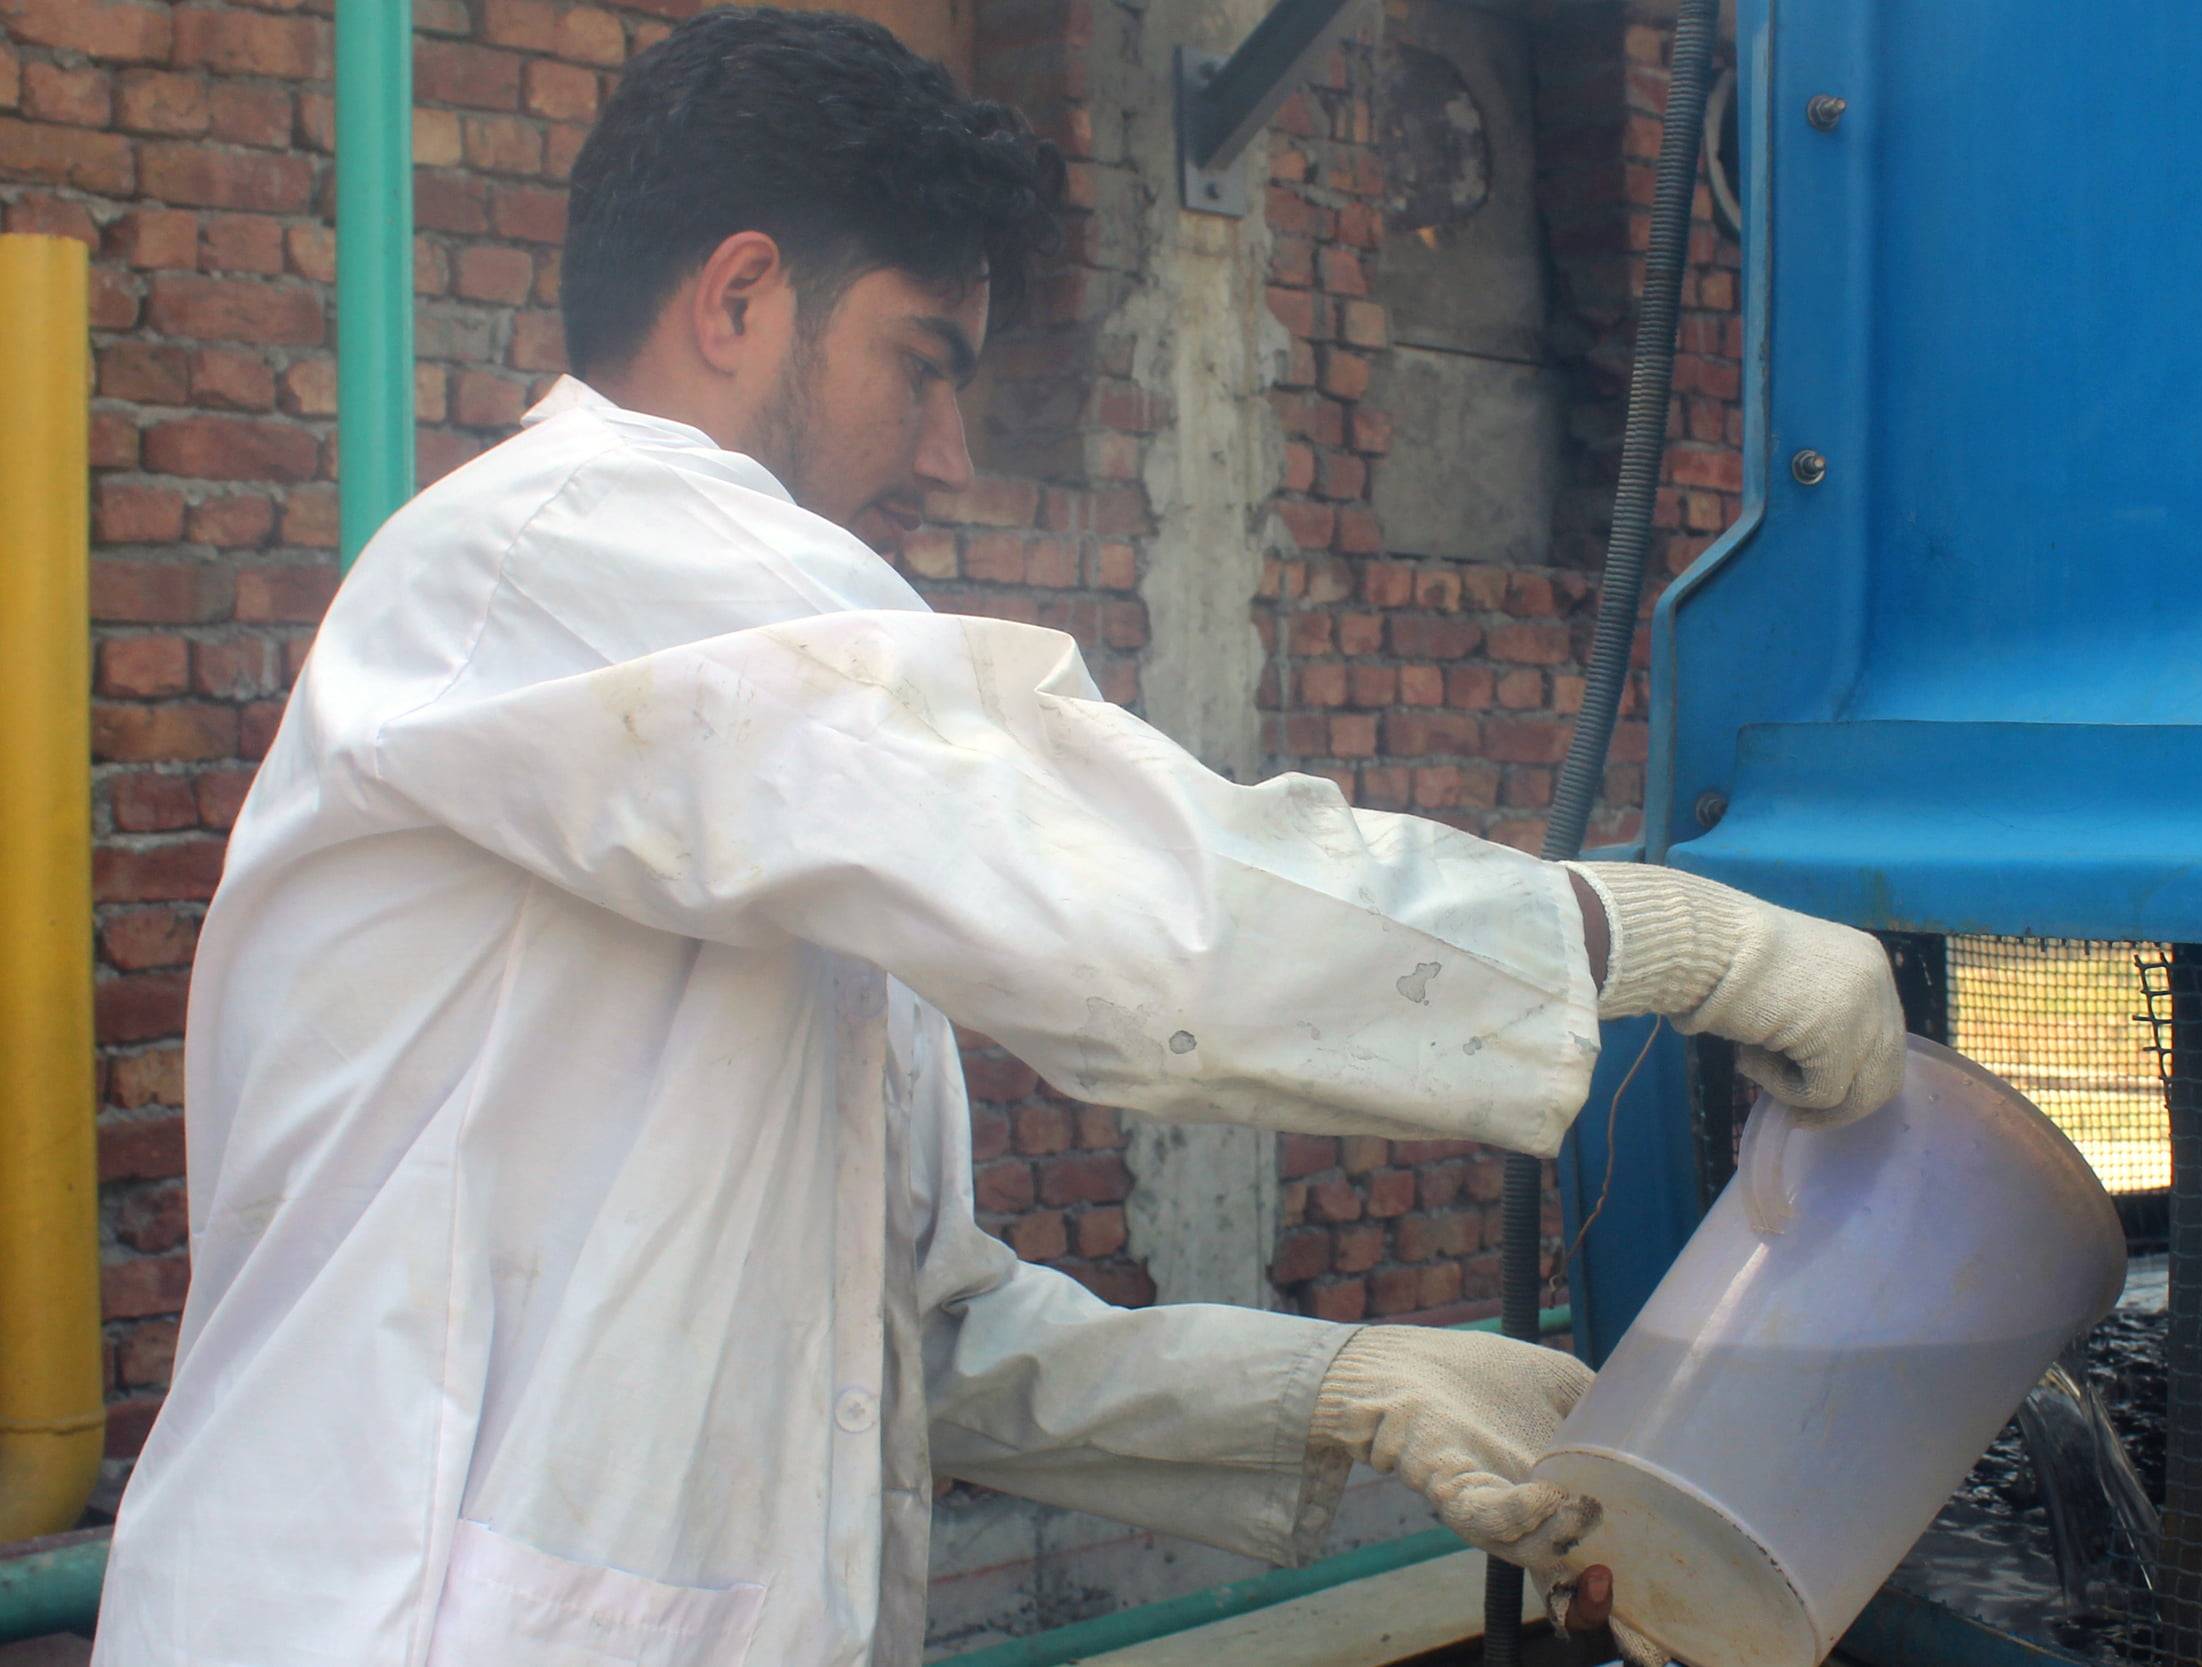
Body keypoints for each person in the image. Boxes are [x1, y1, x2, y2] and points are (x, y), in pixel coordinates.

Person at [90, 11, 1904, 1666]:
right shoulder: (558, 551)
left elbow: (928, 1340)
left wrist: (1345, 1388)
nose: (952, 455)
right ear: (739, 302)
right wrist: (1672, 946)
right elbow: (1148, 910)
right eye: (923, 361)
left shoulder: (766, 779)